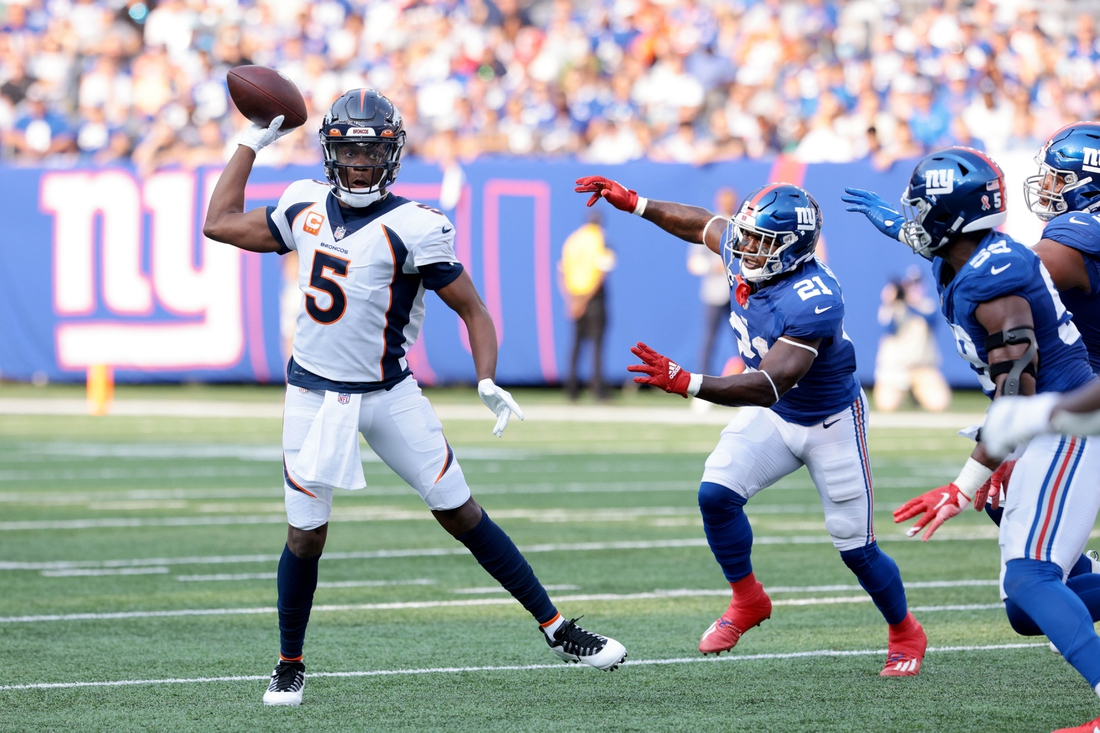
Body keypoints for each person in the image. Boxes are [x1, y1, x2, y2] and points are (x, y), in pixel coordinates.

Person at [203, 89, 627, 707]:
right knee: (305, 536)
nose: (357, 164)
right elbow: (218, 222)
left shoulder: (417, 226)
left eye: (369, 152)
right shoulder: (301, 204)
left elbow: (474, 310)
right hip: (315, 396)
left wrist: (486, 377)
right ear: (329, 152)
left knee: (461, 511)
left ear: (391, 156)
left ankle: (557, 629)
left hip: (388, 392)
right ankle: (289, 661)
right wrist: (249, 142)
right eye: (348, 150)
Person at [573, 175, 927, 676]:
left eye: (760, 242)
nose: (745, 247)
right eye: (746, 235)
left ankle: (905, 630)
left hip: (828, 421)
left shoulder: (814, 297)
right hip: (777, 417)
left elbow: (770, 383)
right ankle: (747, 599)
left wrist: (688, 382)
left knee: (856, 548)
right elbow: (703, 225)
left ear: (792, 249)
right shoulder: (746, 251)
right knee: (715, 494)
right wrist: (636, 203)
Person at [845, 147, 1100, 733]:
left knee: (1030, 578)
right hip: (1040, 425)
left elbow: (1017, 395)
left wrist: (963, 486)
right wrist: (891, 219)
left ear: (950, 217)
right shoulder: (967, 252)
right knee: (1026, 610)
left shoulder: (997, 281)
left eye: (919, 206)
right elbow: (927, 235)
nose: (909, 217)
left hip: (1063, 427)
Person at [873, 268, 950, 412]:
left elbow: (932, 321)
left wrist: (909, 304)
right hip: (895, 368)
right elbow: (889, 330)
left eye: (917, 284)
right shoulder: (892, 306)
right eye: (910, 284)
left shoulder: (927, 305)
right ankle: (906, 394)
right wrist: (891, 302)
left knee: (939, 404)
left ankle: (917, 395)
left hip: (922, 367)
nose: (914, 288)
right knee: (886, 406)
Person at [558, 210, 616, 400]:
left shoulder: (573, 239)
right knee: (597, 345)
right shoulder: (600, 239)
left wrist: (571, 301)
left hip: (574, 295)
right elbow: (602, 272)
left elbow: (562, 271)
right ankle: (597, 389)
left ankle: (571, 389)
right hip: (593, 297)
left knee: (576, 345)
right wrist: (584, 301)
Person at [688, 187, 737, 375]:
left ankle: (749, 380)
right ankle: (704, 383)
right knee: (709, 339)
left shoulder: (741, 224)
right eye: (725, 200)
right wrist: (713, 266)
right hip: (714, 291)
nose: (728, 204)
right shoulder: (709, 224)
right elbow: (694, 262)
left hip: (737, 291)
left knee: (744, 339)